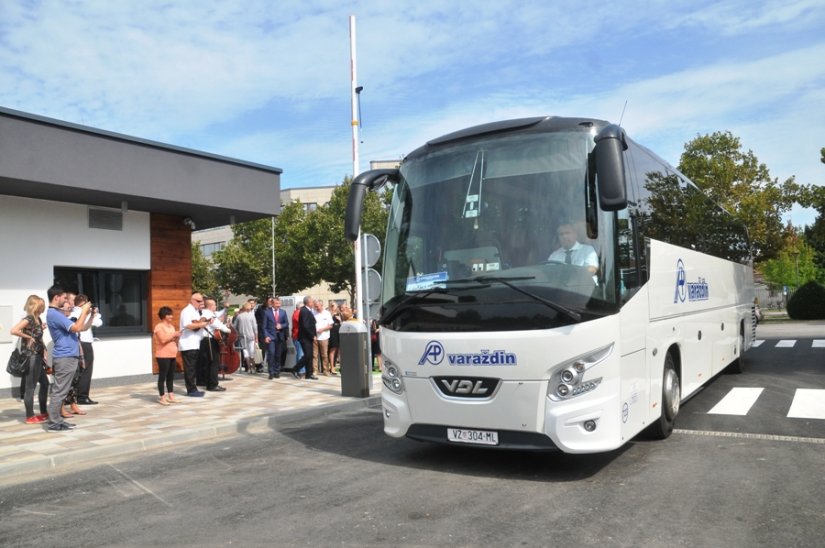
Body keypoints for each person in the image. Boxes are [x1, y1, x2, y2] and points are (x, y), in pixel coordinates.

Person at [45, 285, 92, 432]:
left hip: (69, 356)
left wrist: (90, 316)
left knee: (63, 391)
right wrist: (83, 311)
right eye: (64, 298)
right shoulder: (54, 314)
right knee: (59, 392)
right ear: (56, 297)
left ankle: (58, 420)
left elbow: (81, 328)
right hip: (64, 357)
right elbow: (76, 328)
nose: (67, 301)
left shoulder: (57, 314)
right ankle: (54, 424)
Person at [10, 295, 50, 424]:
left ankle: (43, 412)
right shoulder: (28, 319)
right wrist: (28, 337)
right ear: (34, 305)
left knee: (45, 383)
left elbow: (37, 337)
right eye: (40, 305)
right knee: (30, 387)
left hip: (38, 355)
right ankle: (30, 416)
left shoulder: (37, 318)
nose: (42, 308)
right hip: (31, 356)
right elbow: (14, 330)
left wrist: (44, 350)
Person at [179, 292, 209, 397]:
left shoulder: (195, 311)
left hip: (194, 343)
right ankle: (191, 390)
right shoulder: (187, 311)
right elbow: (187, 325)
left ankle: (193, 388)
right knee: (190, 368)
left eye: (201, 301)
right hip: (188, 343)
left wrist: (203, 321)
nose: (200, 303)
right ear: (192, 300)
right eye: (198, 301)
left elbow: (196, 323)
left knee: (193, 367)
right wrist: (202, 324)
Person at [74, 294, 102, 406]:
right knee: (86, 370)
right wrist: (93, 314)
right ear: (85, 302)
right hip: (84, 343)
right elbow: (99, 323)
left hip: (75, 343)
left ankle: (74, 396)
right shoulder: (82, 312)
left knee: (78, 371)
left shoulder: (72, 311)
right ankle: (83, 396)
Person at [200, 297, 231, 391]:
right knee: (214, 363)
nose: (216, 306)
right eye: (214, 305)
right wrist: (227, 329)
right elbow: (218, 324)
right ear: (210, 306)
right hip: (209, 340)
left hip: (206, 340)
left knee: (210, 363)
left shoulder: (206, 313)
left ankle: (209, 383)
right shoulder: (208, 313)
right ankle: (213, 385)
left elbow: (218, 316)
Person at [153, 306, 181, 405]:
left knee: (171, 376)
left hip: (172, 354)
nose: (171, 316)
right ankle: (162, 397)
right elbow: (163, 340)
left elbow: (171, 340)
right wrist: (173, 335)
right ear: (164, 316)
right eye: (169, 314)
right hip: (162, 355)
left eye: (171, 314)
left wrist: (176, 337)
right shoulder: (159, 327)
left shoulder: (171, 327)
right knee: (163, 376)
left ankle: (171, 396)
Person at [295, 296, 318, 380]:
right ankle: (296, 368)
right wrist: (312, 335)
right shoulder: (304, 310)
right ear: (308, 302)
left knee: (310, 355)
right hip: (305, 337)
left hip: (308, 337)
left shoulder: (309, 310)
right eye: (312, 301)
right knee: (308, 355)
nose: (313, 303)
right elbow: (305, 325)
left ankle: (309, 373)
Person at [232, 301, 258, 373]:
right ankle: (253, 367)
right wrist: (256, 336)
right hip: (251, 336)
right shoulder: (252, 316)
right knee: (252, 352)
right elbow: (255, 327)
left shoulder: (239, 316)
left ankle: (249, 368)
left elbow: (234, 326)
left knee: (245, 352)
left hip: (242, 336)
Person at [313, 299, 334, 376]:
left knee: (324, 354)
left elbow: (331, 325)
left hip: (324, 337)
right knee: (314, 355)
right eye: (315, 306)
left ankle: (326, 370)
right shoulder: (313, 313)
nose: (316, 308)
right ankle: (315, 370)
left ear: (322, 305)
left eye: (317, 306)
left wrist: (322, 329)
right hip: (315, 337)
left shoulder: (327, 313)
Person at [327, 302, 342, 375]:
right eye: (331, 305)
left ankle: (337, 365)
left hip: (339, 331)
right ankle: (332, 366)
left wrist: (340, 320)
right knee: (333, 349)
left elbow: (344, 323)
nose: (333, 306)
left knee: (339, 350)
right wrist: (332, 313)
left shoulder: (340, 314)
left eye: (334, 305)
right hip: (332, 332)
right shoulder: (329, 313)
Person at [291, 301, 304, 374]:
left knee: (300, 353)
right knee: (300, 354)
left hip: (298, 336)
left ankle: (298, 370)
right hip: (298, 336)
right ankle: (300, 371)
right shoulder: (297, 313)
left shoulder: (297, 313)